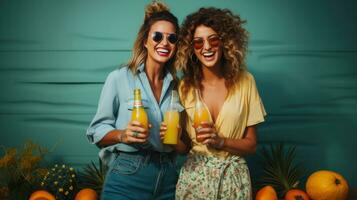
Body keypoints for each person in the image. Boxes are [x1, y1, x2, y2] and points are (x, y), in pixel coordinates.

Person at [164, 7, 267, 199]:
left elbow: (251, 145)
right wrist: (173, 139)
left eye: (213, 39)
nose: (207, 47)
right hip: (194, 179)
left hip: (234, 179)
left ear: (225, 42)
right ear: (191, 48)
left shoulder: (245, 81)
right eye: (198, 42)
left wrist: (220, 141)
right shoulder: (184, 87)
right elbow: (184, 148)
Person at [86, 1, 181, 199]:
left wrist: (178, 139)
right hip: (128, 173)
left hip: (169, 177)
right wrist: (123, 135)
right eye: (157, 36)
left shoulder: (178, 87)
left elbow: (185, 145)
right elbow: (96, 132)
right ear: (145, 41)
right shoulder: (119, 78)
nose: (164, 43)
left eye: (171, 38)